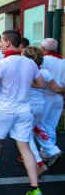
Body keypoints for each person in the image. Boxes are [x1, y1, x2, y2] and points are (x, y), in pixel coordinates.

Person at [0, 30, 45, 195]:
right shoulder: (30, 63)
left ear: (8, 42)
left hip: (4, 109)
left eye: (2, 41)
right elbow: (41, 84)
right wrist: (25, 85)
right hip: (24, 109)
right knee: (24, 146)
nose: (0, 44)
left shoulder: (2, 63)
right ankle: (34, 188)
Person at [22, 46, 64, 175]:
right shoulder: (45, 72)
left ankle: (38, 163)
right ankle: (53, 150)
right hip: (41, 105)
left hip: (29, 106)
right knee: (38, 127)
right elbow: (57, 88)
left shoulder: (24, 72)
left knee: (24, 135)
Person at [38, 38, 65, 166]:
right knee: (52, 124)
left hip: (45, 97)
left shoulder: (43, 61)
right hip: (59, 96)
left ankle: (50, 150)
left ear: (43, 48)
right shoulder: (63, 62)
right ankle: (48, 151)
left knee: (40, 125)